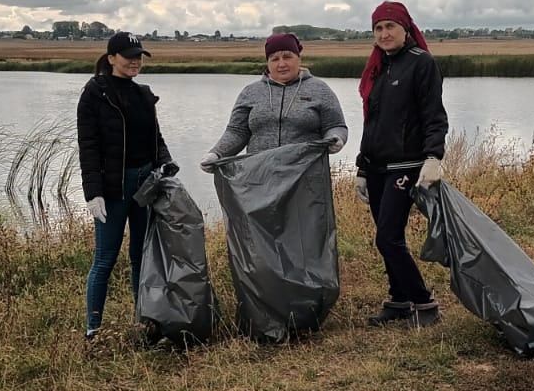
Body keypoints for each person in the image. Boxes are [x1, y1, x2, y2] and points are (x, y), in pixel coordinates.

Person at [77, 31, 178, 340]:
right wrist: (93, 193)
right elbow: (88, 147)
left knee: (141, 256)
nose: (134, 62)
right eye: (128, 56)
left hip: (144, 186)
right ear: (111, 59)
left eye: (138, 57)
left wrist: (165, 162)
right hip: (112, 189)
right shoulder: (95, 93)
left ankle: (142, 322)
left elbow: (155, 138)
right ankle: (93, 330)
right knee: (105, 258)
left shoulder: (143, 95)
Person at [355, 1, 449, 328]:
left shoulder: (421, 64)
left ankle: (424, 303)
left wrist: (433, 156)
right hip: (378, 166)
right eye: (378, 28)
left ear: (405, 29)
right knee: (386, 235)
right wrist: (362, 168)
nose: (384, 33)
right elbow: (372, 123)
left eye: (390, 27)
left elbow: (434, 116)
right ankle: (398, 299)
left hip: (406, 165)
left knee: (388, 238)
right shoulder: (378, 68)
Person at [199, 32, 349, 166]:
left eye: (287, 57)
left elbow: (336, 125)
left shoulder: (319, 89)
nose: (281, 64)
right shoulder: (250, 92)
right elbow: (237, 131)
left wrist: (336, 138)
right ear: (268, 63)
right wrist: (217, 153)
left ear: (299, 58)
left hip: (306, 177)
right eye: (274, 59)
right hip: (258, 177)